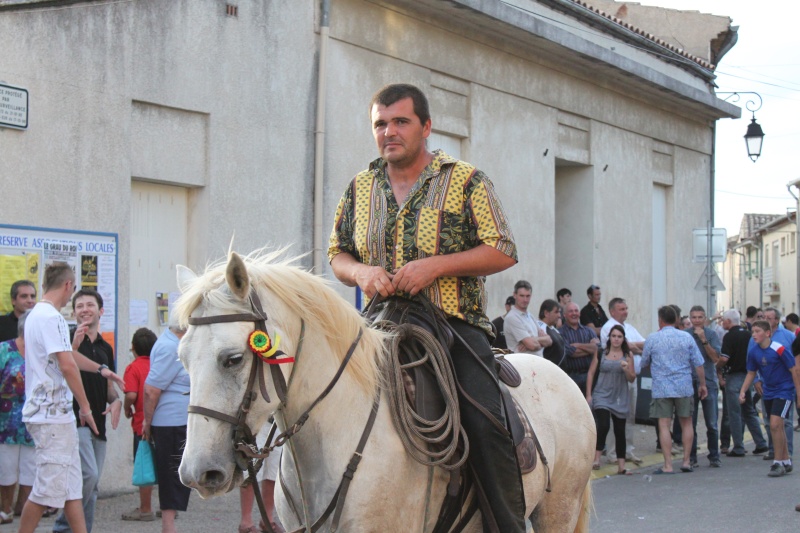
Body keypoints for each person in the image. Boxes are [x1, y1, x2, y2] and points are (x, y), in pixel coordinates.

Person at [327, 83, 524, 531]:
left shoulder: (466, 180)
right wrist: (360, 273)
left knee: (485, 421)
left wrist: (436, 266)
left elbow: (503, 249)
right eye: (381, 123)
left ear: (426, 127)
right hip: (379, 323)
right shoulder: (360, 188)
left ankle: (509, 525)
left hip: (453, 326)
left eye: (400, 121)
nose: (389, 131)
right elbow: (337, 253)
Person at [18, 263, 123, 533]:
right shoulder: (49, 317)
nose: (71, 295)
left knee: (72, 489)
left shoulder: (37, 316)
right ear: (67, 286)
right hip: (50, 416)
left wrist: (102, 369)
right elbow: (66, 365)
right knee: (45, 491)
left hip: (57, 416)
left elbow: (69, 355)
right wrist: (86, 408)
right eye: (73, 289)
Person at [53, 289, 121, 533]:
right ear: (73, 313)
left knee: (92, 487)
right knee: (88, 476)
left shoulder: (106, 347)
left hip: (99, 424)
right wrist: (74, 345)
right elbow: (63, 368)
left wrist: (116, 402)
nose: (84, 309)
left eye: (89, 305)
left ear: (100, 311)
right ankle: (63, 525)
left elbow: (109, 387)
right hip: (75, 420)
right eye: (79, 306)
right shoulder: (67, 340)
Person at [641, 305, 707, 474]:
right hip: (684, 386)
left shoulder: (653, 339)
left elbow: (644, 363)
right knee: (686, 423)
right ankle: (686, 461)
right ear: (677, 320)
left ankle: (668, 464)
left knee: (664, 425)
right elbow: (698, 363)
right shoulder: (686, 337)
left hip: (662, 388)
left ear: (660, 320)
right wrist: (702, 384)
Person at [142, 323, 191, 533]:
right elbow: (151, 390)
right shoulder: (171, 347)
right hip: (171, 421)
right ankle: (168, 526)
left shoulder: (176, 342)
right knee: (171, 476)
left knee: (175, 475)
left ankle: (169, 524)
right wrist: (147, 421)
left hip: (177, 419)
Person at [740, 320, 800, 477]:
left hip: (784, 391)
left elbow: (794, 371)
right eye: (752, 332)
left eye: (757, 331)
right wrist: (743, 390)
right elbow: (751, 372)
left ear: (767, 333)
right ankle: (786, 461)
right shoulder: (754, 352)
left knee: (774, 425)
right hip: (769, 392)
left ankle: (778, 462)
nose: (754, 335)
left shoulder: (779, 349)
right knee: (777, 427)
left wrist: (798, 394)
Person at [599, 298, 645, 464]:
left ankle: (628, 450)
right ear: (612, 311)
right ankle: (613, 453)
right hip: (616, 379)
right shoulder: (607, 328)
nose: (625, 311)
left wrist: (634, 347)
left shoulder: (630, 328)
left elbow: (644, 344)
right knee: (615, 417)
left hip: (631, 377)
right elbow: (626, 348)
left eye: (626, 308)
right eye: (621, 309)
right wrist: (634, 347)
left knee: (630, 416)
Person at [586, 325, 636, 474]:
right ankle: (596, 459)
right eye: (614, 336)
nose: (616, 339)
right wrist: (589, 395)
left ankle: (621, 465)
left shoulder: (628, 355)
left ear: (623, 339)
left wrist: (627, 369)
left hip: (620, 396)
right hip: (602, 393)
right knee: (603, 425)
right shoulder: (601, 352)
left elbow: (632, 378)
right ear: (609, 338)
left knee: (620, 429)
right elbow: (591, 373)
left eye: (619, 336)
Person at [718, 309, 768, 457]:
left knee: (734, 413)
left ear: (728, 321)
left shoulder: (729, 336)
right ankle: (761, 443)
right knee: (749, 410)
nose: (722, 323)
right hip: (748, 375)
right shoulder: (748, 335)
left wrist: (717, 366)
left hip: (734, 377)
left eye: (723, 321)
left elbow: (725, 358)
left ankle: (738, 447)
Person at [0, 310, 34, 526]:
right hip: (7, 422)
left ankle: (26, 510)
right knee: (6, 467)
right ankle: (5, 509)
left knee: (31, 469)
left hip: (34, 422)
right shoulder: (4, 350)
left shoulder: (43, 353)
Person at [121, 327, 158, 522]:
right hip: (164, 421)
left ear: (133, 348)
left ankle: (145, 509)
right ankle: (169, 507)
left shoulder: (133, 367)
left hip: (142, 424)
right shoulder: (159, 365)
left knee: (145, 464)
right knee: (164, 463)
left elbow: (131, 394)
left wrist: (127, 408)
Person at [752, 307, 795, 460]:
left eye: (769, 317)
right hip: (767, 386)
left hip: (785, 386)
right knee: (770, 422)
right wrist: (755, 380)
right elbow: (752, 363)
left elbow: (794, 363)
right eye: (764, 316)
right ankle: (774, 451)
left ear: (776, 320)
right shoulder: (755, 339)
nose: (766, 319)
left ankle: (785, 454)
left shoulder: (788, 337)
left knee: (784, 422)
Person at [684, 305, 722, 468]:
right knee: (690, 422)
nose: (697, 321)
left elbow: (715, 358)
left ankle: (714, 455)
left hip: (709, 382)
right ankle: (691, 456)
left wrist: (704, 340)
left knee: (711, 422)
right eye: (694, 318)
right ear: (690, 319)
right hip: (689, 383)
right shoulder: (685, 335)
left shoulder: (712, 334)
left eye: (700, 317)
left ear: (705, 319)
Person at [558, 302, 599, 394]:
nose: (574, 313)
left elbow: (598, 349)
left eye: (576, 311)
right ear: (564, 315)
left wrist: (577, 345)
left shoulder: (588, 331)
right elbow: (570, 352)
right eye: (570, 311)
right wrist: (590, 348)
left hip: (590, 376)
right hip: (571, 377)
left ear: (579, 313)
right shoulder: (560, 333)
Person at [504, 281, 550, 356]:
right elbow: (532, 345)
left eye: (528, 296)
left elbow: (549, 341)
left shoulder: (530, 315)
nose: (525, 300)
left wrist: (533, 340)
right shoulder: (512, 317)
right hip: (522, 364)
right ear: (515, 295)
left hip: (536, 363)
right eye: (522, 296)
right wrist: (540, 342)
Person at [538, 299, 565, 367]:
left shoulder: (554, 329)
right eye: (556, 312)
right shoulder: (539, 328)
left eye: (559, 312)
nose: (559, 315)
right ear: (546, 313)